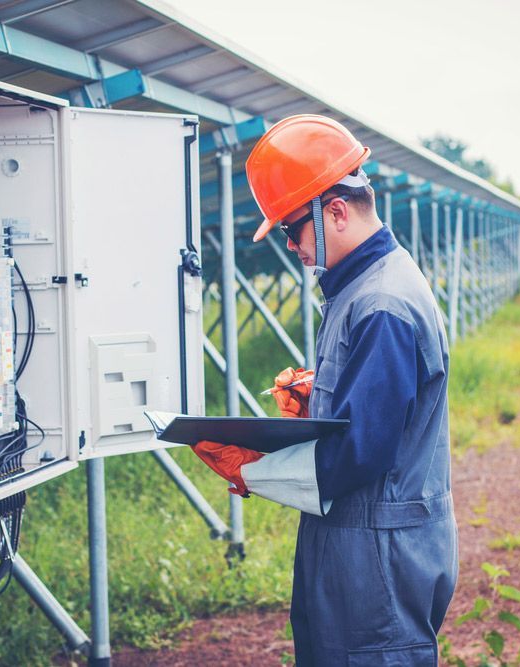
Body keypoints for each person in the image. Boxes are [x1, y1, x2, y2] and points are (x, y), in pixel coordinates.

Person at [191, 115, 458, 665]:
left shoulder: (380, 303)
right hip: (361, 543)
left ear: (335, 210)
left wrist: (252, 468)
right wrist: (325, 396)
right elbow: (379, 407)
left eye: (292, 228)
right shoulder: (363, 284)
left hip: (377, 555)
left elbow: (361, 450)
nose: (290, 245)